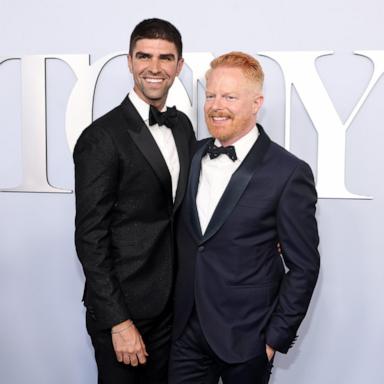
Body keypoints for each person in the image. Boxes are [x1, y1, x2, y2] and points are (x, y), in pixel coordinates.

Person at [169, 52, 320, 384]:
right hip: (185, 335)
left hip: (248, 339)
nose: (216, 105)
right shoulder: (191, 155)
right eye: (211, 95)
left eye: (230, 96)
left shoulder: (288, 172)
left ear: (256, 103)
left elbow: (305, 266)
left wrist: (273, 340)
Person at [74, 18, 195, 384]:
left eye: (165, 57)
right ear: (129, 61)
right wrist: (118, 321)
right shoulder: (101, 137)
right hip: (125, 311)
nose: (154, 68)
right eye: (144, 56)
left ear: (179, 65)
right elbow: (90, 238)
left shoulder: (183, 127)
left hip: (174, 307)